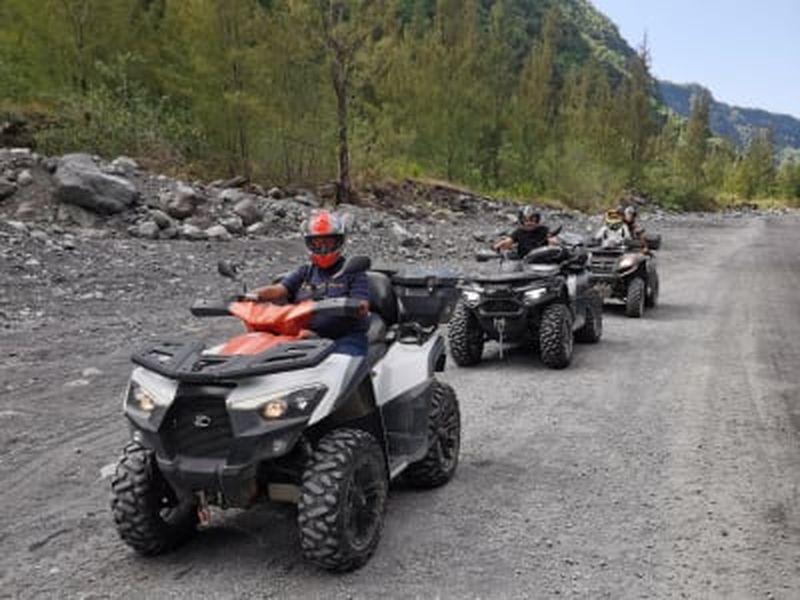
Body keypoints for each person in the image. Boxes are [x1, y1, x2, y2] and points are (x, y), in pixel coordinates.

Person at [249, 209, 370, 356]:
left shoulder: (353, 270)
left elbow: (362, 306)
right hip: (304, 336)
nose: (323, 248)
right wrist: (251, 295)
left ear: (339, 241)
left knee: (340, 367)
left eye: (328, 242)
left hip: (344, 337)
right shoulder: (305, 271)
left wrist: (348, 306)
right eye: (317, 243)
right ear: (309, 244)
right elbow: (279, 289)